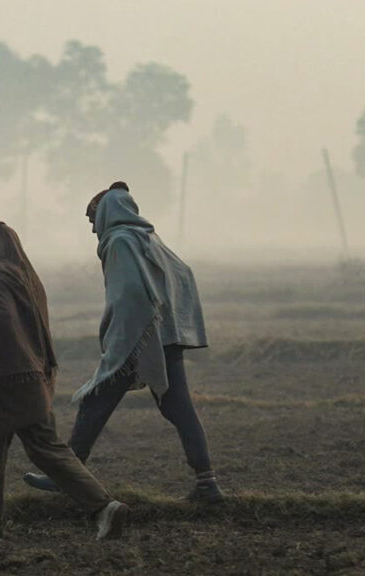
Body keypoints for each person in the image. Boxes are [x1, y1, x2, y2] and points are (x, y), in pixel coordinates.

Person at [23, 182, 223, 503]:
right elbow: (182, 275)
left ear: (106, 213)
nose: (93, 229)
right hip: (164, 337)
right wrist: (168, 321)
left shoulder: (119, 241)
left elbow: (128, 295)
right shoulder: (148, 238)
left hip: (137, 339)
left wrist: (121, 338)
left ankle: (66, 477)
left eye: (93, 219)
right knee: (179, 407)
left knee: (95, 402)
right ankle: (207, 482)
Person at [0, 220, 129, 543]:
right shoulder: (26, 277)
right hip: (32, 380)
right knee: (45, 450)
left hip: (2, 384)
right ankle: (104, 507)